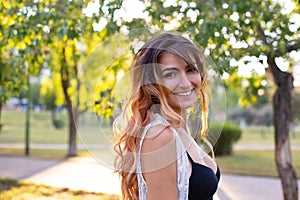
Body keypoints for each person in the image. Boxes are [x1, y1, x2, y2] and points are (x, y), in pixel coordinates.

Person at [114, 32, 220, 200]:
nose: (185, 82)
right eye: (170, 74)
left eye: (191, 69)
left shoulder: (179, 129)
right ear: (152, 84)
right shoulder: (159, 136)